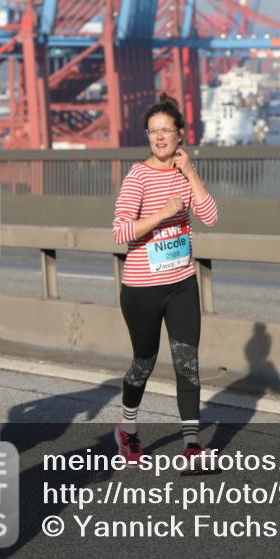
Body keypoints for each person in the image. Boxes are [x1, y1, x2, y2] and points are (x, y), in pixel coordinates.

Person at [111, 93, 218, 467]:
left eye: (166, 131)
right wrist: (162, 213)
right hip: (142, 289)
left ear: (180, 135)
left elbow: (211, 215)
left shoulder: (184, 174)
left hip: (181, 284)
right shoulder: (137, 176)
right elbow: (120, 231)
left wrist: (190, 173)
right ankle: (127, 429)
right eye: (153, 132)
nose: (159, 138)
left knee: (187, 362)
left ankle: (192, 446)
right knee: (144, 362)